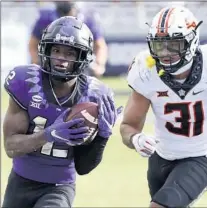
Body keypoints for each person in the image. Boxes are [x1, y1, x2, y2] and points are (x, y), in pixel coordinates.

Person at [120, 6, 207, 207]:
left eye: (174, 44)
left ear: (191, 40)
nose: (166, 53)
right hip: (160, 159)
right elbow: (128, 126)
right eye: (160, 46)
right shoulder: (146, 71)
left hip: (202, 157)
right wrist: (136, 138)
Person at [3, 16, 120, 208]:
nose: (61, 59)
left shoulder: (94, 97)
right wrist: (48, 135)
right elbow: (10, 147)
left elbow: (83, 167)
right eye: (56, 50)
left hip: (59, 186)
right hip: (20, 182)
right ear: (46, 49)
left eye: (69, 53)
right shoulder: (26, 82)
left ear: (81, 57)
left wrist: (102, 138)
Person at [29, 1, 108, 77]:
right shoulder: (46, 17)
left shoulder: (87, 17)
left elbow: (100, 45)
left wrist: (99, 65)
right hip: (51, 66)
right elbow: (33, 43)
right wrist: (36, 62)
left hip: (80, 69)